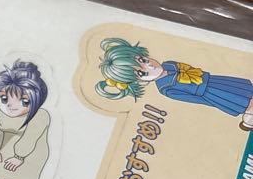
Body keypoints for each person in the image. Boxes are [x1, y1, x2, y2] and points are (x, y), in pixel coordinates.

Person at [96, 36, 253, 130]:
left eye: (143, 60)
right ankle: (248, 118)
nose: (150, 66)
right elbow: (195, 99)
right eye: (142, 73)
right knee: (242, 101)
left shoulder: (169, 64)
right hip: (211, 93)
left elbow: (193, 70)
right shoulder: (166, 88)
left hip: (213, 80)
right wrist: (215, 100)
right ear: (141, 81)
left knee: (243, 89)